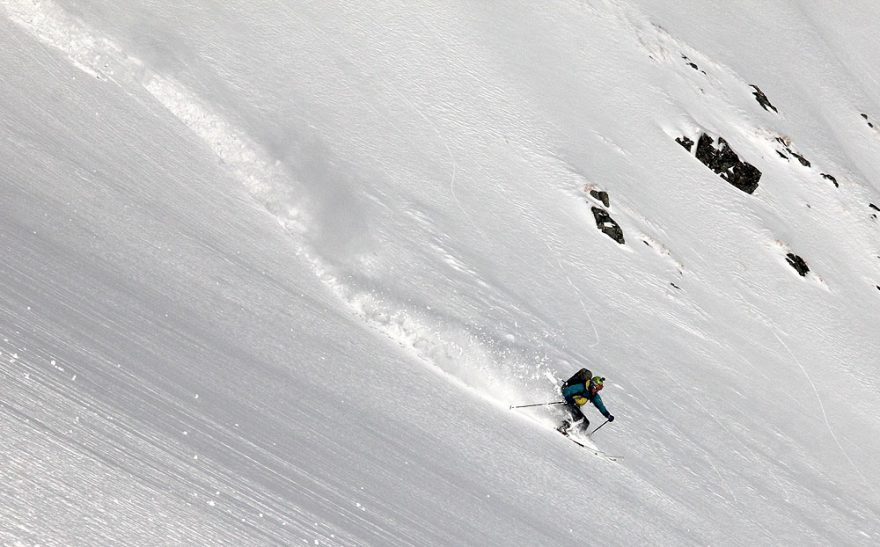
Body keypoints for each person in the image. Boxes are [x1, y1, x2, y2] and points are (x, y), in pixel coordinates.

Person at [557, 368, 614, 435]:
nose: (597, 390)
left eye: (599, 389)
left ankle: (577, 434)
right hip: (568, 401)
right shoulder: (582, 387)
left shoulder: (593, 395)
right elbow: (567, 391)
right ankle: (563, 427)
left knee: (586, 422)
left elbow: (600, 405)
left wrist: (607, 415)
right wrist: (569, 400)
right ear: (593, 385)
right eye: (597, 388)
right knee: (579, 418)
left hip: (575, 405)